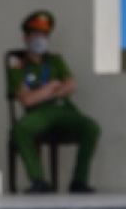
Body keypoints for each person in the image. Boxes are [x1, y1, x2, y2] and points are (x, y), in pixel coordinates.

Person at [7, 10, 99, 193]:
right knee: (20, 130)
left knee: (91, 127)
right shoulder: (18, 66)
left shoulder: (56, 60)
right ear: (26, 37)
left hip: (64, 110)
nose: (40, 38)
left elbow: (71, 85)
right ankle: (38, 181)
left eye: (44, 35)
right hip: (38, 114)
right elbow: (27, 100)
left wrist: (43, 93)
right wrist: (52, 88)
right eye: (36, 34)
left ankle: (79, 181)